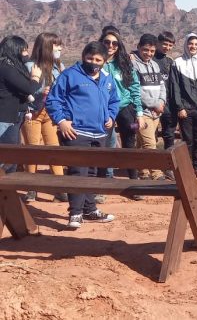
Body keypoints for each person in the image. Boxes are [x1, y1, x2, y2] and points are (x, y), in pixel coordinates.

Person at [46, 41, 118, 229]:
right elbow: (54, 100)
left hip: (99, 133)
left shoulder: (107, 78)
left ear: (104, 60)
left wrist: (111, 115)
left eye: (98, 59)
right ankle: (75, 212)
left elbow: (114, 100)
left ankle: (89, 209)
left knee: (93, 172)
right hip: (76, 132)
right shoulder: (70, 75)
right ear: (82, 56)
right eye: (89, 58)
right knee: (78, 171)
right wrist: (61, 121)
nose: (93, 62)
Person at [20, 33, 66, 202]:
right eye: (56, 46)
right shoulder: (29, 66)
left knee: (53, 148)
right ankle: (32, 188)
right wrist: (41, 91)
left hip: (51, 113)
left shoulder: (58, 66)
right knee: (33, 149)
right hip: (33, 113)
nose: (60, 49)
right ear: (46, 47)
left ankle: (60, 188)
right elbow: (23, 89)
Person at [100, 30, 143, 182]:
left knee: (129, 144)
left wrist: (139, 112)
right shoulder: (97, 62)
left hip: (126, 108)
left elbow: (134, 87)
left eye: (114, 43)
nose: (110, 46)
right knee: (103, 145)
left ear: (118, 46)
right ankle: (104, 180)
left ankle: (133, 181)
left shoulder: (124, 63)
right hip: (104, 109)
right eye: (107, 42)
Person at [170, 33, 197, 179]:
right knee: (186, 141)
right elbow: (174, 87)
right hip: (185, 110)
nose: (193, 46)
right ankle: (187, 169)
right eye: (190, 43)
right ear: (186, 45)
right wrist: (179, 107)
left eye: (196, 44)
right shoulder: (177, 63)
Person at [0, 36, 42, 174]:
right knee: (8, 156)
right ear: (15, 50)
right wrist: (36, 77)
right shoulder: (7, 68)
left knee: (12, 154)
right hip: (5, 118)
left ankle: (8, 190)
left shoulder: (8, 66)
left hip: (12, 117)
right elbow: (28, 88)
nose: (26, 54)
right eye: (24, 50)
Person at [132, 34, 167, 181]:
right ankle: (156, 173)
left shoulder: (155, 65)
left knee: (141, 144)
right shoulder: (133, 65)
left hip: (156, 113)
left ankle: (142, 171)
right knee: (150, 143)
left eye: (152, 51)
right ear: (139, 48)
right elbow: (136, 90)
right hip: (143, 112)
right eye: (145, 50)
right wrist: (154, 104)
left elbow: (162, 86)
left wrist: (161, 101)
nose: (149, 53)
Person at [155, 31, 177, 180]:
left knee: (169, 136)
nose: (167, 47)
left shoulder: (170, 62)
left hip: (169, 104)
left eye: (170, 45)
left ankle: (168, 167)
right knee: (151, 137)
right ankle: (151, 167)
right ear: (158, 43)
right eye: (164, 44)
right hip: (152, 104)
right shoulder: (149, 58)